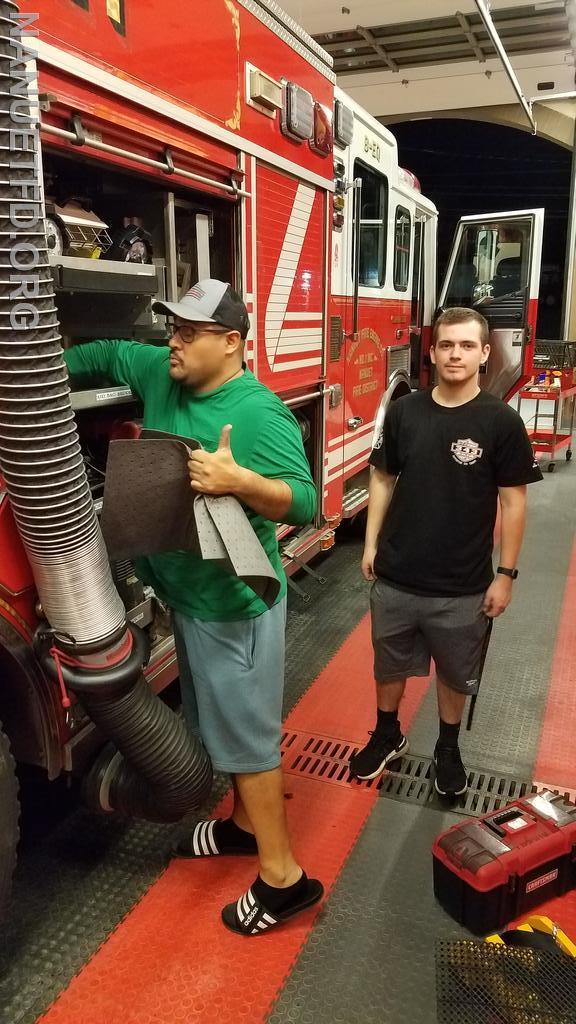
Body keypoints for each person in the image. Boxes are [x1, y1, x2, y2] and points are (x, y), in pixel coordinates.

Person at [64, 279, 323, 935]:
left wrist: (239, 481)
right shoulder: (161, 371)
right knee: (218, 731)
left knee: (250, 741)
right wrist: (42, 366)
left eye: (189, 332)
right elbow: (112, 354)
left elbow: (304, 502)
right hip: (187, 597)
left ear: (231, 343)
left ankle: (283, 878)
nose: (172, 341)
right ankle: (239, 827)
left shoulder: (259, 413)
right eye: (172, 327)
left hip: (235, 604)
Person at [350, 306, 542, 796]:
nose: (455, 354)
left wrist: (506, 574)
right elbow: (382, 477)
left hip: (463, 585)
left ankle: (448, 747)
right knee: (388, 663)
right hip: (396, 576)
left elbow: (514, 503)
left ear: (483, 354)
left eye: (466, 346)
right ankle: (387, 733)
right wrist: (371, 543)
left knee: (456, 672)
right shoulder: (405, 411)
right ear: (432, 352)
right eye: (446, 345)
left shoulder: (500, 422)